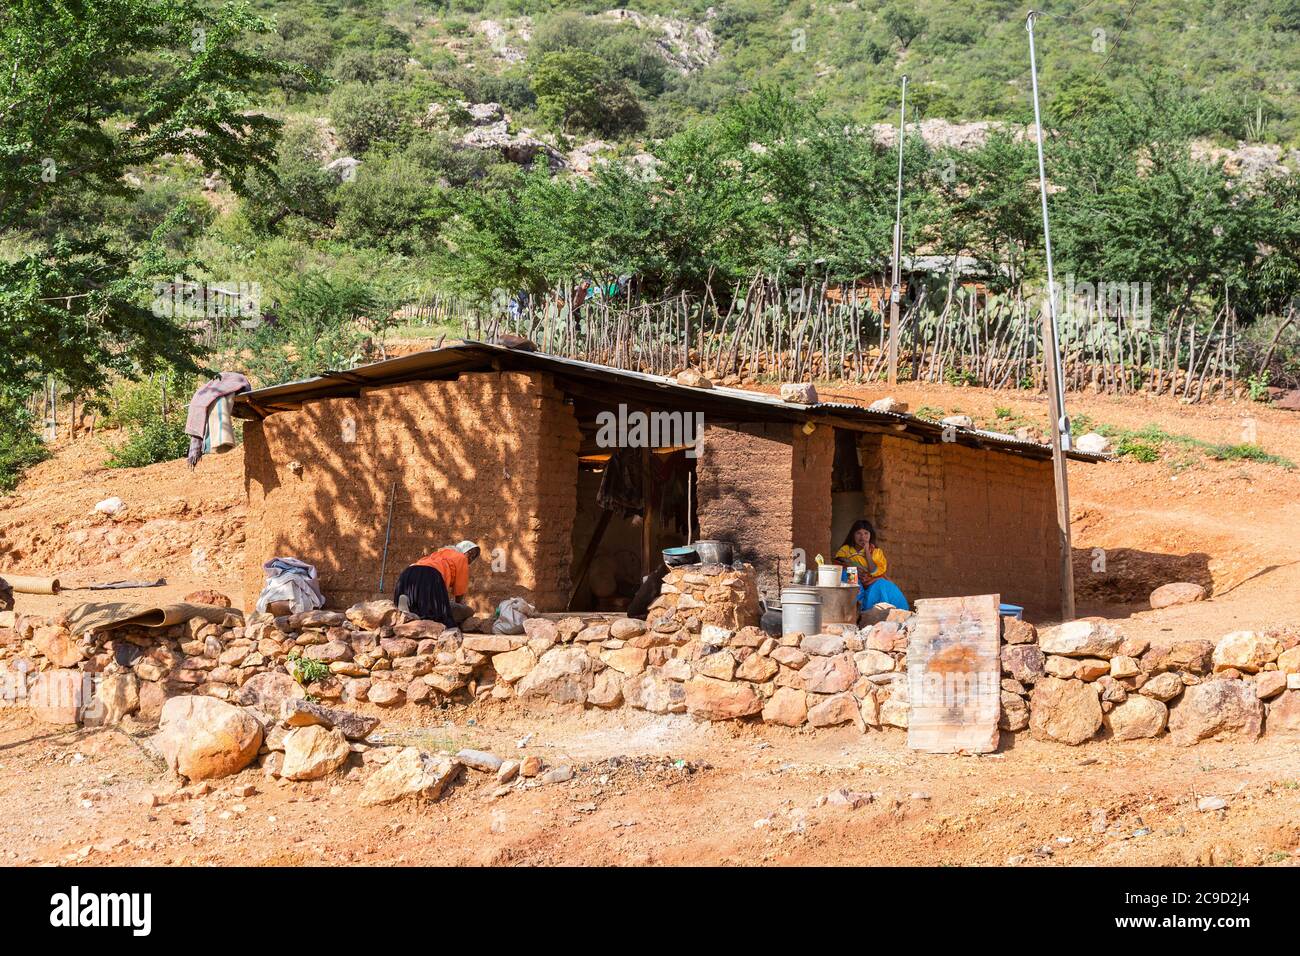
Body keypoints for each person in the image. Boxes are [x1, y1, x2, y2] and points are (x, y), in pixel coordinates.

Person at [394, 540, 480, 628]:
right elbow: (460, 589)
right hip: (430, 575)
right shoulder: (461, 557)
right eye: (471, 554)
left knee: (420, 605)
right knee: (438, 614)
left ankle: (408, 610)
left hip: (408, 574)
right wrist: (459, 605)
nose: (472, 558)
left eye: (474, 556)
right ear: (465, 552)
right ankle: (417, 615)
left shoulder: (439, 553)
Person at [833, 519, 910, 612]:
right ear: (853, 535)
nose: (862, 537)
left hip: (872, 581)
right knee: (849, 572)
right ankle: (858, 605)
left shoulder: (876, 552)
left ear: (870, 535)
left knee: (882, 585)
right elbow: (839, 564)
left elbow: (873, 571)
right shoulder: (845, 550)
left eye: (866, 533)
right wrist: (855, 569)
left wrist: (867, 552)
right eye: (858, 533)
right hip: (854, 581)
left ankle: (879, 612)